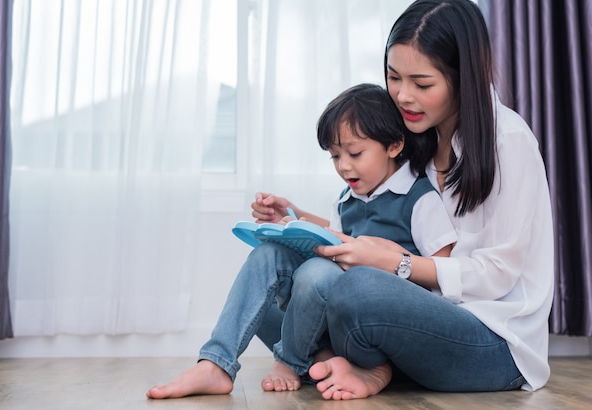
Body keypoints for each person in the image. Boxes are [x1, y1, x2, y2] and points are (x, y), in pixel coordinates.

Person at [295, 0, 553, 401]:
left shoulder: (509, 141)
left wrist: (396, 264)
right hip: (423, 316)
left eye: (422, 84)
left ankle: (357, 363)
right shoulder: (419, 133)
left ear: (463, 76)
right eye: (394, 77)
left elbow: (498, 274)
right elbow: (371, 216)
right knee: (286, 274)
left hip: (494, 340)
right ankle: (352, 363)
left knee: (356, 290)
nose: (402, 96)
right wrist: (299, 222)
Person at [146, 83, 456, 399]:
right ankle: (216, 363)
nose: (344, 166)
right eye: (335, 156)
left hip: (377, 329)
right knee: (266, 268)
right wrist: (294, 218)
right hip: (336, 321)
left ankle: (293, 362)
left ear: (393, 145)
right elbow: (337, 238)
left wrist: (390, 260)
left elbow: (444, 276)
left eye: (355, 153)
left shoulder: (420, 200)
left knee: (316, 274)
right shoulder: (348, 198)